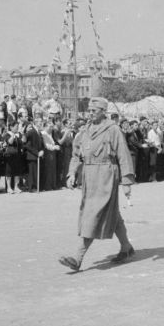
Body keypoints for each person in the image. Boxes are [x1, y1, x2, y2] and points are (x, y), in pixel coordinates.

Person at [59, 97, 136, 272]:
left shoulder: (113, 130)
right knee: (112, 214)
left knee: (94, 214)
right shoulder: (85, 131)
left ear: (103, 111)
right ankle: (126, 248)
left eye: (94, 110)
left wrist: (126, 181)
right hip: (89, 177)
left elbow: (123, 155)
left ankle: (77, 258)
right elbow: (76, 155)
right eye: (89, 110)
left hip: (107, 176)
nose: (90, 113)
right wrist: (72, 172)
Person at [3, 122, 23, 194]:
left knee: (17, 172)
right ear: (11, 127)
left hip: (17, 155)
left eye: (18, 126)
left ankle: (16, 187)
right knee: (9, 172)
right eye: (16, 126)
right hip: (10, 156)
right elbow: (10, 142)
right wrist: (13, 135)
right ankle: (8, 187)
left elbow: (22, 142)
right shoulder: (7, 134)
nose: (17, 128)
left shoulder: (19, 134)